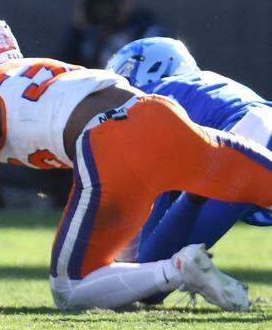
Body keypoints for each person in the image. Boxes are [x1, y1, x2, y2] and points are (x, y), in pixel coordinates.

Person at [0, 16, 272, 312]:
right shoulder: (35, 72)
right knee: (262, 181)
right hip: (158, 115)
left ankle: (176, 269)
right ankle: (172, 267)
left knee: (70, 289)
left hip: (108, 141)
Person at [106, 37, 271, 300]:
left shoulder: (155, 101)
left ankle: (189, 264)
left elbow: (153, 205)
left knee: (147, 283)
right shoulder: (206, 85)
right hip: (254, 141)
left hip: (245, 145)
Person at [58, 0, 163, 69]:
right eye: (100, 1)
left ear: (130, 0)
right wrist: (76, 30)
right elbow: (61, 73)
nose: (105, 9)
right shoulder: (86, 34)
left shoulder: (145, 31)